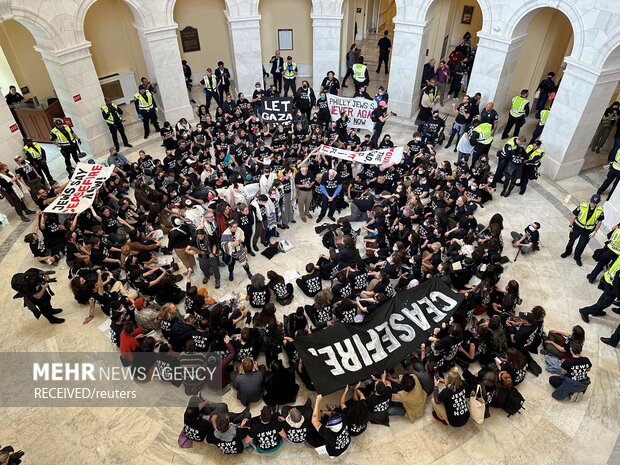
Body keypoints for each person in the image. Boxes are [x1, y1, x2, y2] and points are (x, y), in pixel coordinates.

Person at [561, 194, 604, 266]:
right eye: (592, 202)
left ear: (598, 203)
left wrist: (595, 231)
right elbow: (574, 216)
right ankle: (567, 252)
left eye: (595, 203)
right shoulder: (582, 206)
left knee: (582, 245)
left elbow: (600, 221)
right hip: (577, 227)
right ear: (590, 200)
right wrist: (570, 225)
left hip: (588, 230)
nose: (593, 204)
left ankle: (577, 257)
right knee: (571, 240)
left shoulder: (600, 210)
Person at [579, 255, 620, 323]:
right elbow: (617, 283)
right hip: (612, 285)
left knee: (604, 297)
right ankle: (584, 311)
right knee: (606, 303)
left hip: (609, 280)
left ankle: (596, 311)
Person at [310, 393, 351, 457]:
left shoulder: (328, 433)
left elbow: (314, 420)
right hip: (346, 444)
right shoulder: (343, 418)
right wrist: (325, 412)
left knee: (312, 436)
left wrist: (317, 401)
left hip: (334, 452)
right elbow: (335, 414)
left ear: (330, 428)